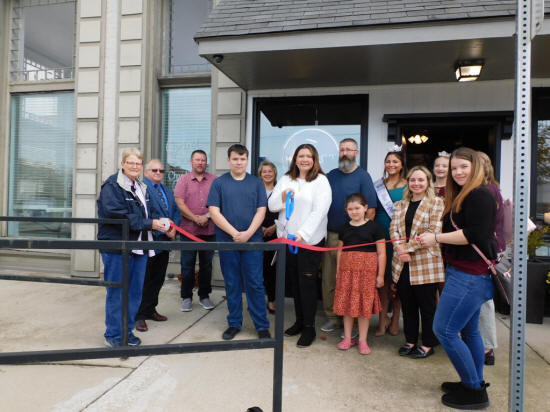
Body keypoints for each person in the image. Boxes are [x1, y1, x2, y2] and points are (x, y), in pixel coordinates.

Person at [418, 147, 495, 410]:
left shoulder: (480, 195)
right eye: (454, 168)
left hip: (470, 275)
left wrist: (435, 238)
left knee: (444, 330)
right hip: (462, 271)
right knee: (469, 330)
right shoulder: (464, 194)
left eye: (464, 166)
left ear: (475, 167)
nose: (458, 172)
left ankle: (474, 391)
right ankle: (473, 381)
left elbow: (473, 234)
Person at [97, 147, 170, 347]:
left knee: (135, 293)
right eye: (130, 162)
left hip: (140, 247)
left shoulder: (140, 186)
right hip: (118, 248)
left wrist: (161, 221)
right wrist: (150, 223)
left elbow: (149, 212)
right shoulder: (112, 186)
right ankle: (113, 335)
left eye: (138, 163)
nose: (134, 166)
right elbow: (116, 214)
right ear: (122, 164)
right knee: (117, 293)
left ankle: (127, 332)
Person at [269, 143, 332, 347]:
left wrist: (302, 234)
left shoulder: (321, 181)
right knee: (294, 283)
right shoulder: (286, 179)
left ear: (314, 160)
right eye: (301, 156)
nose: (304, 159)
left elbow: (319, 211)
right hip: (287, 240)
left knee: (307, 284)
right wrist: (283, 197)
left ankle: (309, 327)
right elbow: (272, 206)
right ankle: (299, 321)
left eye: (309, 156)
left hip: (309, 241)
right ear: (295, 159)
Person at [207, 144, 270, 341]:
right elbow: (214, 211)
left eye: (242, 159)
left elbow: (261, 210)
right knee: (232, 283)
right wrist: (235, 233)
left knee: (255, 283)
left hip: (253, 242)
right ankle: (234, 323)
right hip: (228, 241)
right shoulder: (219, 183)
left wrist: (248, 233)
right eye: (235, 159)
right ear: (229, 160)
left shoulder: (256, 183)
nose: (239, 162)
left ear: (247, 160)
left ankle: (261, 325)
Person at [321, 138, 377, 333]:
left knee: (352, 282)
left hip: (354, 239)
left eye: (349, 149)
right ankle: (332, 317)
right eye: (342, 149)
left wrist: (360, 235)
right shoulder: (331, 176)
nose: (345, 153)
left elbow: (371, 210)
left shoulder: (363, 176)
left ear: (356, 153)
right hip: (332, 235)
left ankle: (351, 320)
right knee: (330, 278)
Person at [390, 166, 445, 359]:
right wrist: (399, 248)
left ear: (428, 182)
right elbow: (393, 230)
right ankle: (410, 340)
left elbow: (432, 232)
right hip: (402, 263)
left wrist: (406, 248)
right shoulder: (400, 204)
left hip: (425, 263)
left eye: (421, 180)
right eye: (413, 180)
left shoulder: (436, 203)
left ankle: (429, 343)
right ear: (408, 182)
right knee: (408, 306)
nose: (416, 183)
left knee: (427, 307)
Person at [333, 193, 385, 355]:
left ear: (365, 208)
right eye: (350, 209)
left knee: (364, 307)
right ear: (346, 210)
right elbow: (340, 251)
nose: (354, 212)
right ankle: (348, 337)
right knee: (347, 306)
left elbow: (381, 253)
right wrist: (338, 271)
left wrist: (380, 275)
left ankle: (363, 340)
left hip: (367, 274)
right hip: (347, 273)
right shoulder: (343, 228)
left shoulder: (375, 228)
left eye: (357, 208)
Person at [135, 159, 180, 332]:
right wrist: (164, 228)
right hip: (149, 241)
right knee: (144, 279)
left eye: (161, 170)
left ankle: (150, 309)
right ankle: (139, 314)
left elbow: (175, 212)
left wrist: (173, 228)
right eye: (154, 170)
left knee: (158, 279)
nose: (158, 173)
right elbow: (144, 214)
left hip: (164, 242)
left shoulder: (166, 190)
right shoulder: (141, 189)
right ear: (146, 172)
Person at [174, 150, 217, 312]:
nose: (200, 162)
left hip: (209, 231)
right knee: (187, 265)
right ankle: (186, 297)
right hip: (188, 231)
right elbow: (180, 204)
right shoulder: (183, 180)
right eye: (197, 160)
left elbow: (218, 202)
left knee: (207, 266)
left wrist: (206, 216)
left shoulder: (214, 180)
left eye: (203, 160)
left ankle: (204, 296)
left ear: (206, 162)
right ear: (191, 161)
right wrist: (195, 218)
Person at [373, 148, 407, 336]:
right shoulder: (378, 185)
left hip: (400, 237)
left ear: (401, 165)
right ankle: (382, 318)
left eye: (395, 161)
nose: (391, 165)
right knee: (382, 280)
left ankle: (395, 319)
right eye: (388, 161)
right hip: (381, 236)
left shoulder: (408, 186)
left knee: (398, 280)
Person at [478, 151, 505, 366]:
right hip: (485, 249)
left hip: (485, 251)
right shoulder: (488, 189)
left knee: (484, 300)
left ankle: (487, 347)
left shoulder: (488, 190)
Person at [259, 160, 279, 314]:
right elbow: (250, 211)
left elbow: (286, 212)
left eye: (270, 171)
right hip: (256, 234)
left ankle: (271, 300)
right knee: (256, 270)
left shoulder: (280, 190)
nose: (267, 174)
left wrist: (274, 227)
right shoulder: (255, 190)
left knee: (271, 270)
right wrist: (259, 228)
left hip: (275, 234)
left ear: (275, 173)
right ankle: (257, 301)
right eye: (264, 171)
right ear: (260, 174)